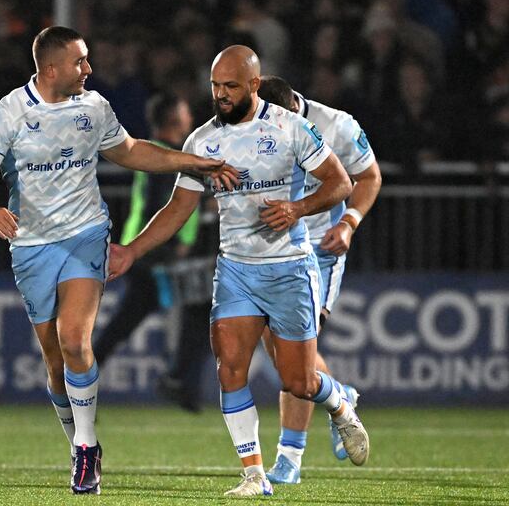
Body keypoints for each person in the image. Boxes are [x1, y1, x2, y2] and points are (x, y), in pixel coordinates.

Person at [0, 26, 237, 495]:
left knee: (74, 339)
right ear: (50, 69)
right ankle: (79, 444)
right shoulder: (10, 112)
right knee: (54, 364)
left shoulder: (94, 107)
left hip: (86, 236)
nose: (89, 69)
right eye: (80, 61)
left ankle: (87, 449)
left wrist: (189, 162)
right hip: (31, 247)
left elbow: (129, 152)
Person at [109, 45, 370, 498]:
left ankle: (339, 403)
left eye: (231, 86)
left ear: (253, 84)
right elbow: (177, 208)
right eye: (215, 86)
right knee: (230, 368)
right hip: (235, 270)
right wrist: (132, 250)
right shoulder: (202, 142)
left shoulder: (291, 128)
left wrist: (298, 208)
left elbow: (341, 182)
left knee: (298, 381)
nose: (221, 95)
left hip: (290, 268)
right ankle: (254, 474)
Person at [256, 75, 382, 485]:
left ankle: (289, 461)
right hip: (270, 249)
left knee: (295, 352)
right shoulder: (253, 125)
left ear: (295, 105)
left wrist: (349, 222)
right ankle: (337, 396)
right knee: (283, 356)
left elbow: (369, 177)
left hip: (318, 249)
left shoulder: (336, 124)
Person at [91, 92, 199, 368]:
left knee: (139, 318)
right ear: (174, 118)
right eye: (184, 110)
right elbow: (157, 205)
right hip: (151, 254)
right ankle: (82, 372)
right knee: (133, 319)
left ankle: (180, 378)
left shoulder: (169, 155)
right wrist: (168, 245)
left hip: (152, 252)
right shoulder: (162, 158)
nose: (189, 116)